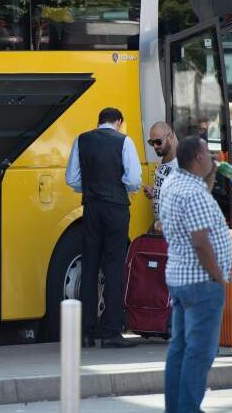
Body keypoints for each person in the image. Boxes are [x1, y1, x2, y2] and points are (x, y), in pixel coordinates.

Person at [159, 136, 232, 413]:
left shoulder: (174, 183)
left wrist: (211, 174)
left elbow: (203, 196)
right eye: (207, 153)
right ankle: (188, 407)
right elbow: (201, 241)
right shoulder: (194, 194)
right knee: (200, 352)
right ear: (198, 158)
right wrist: (218, 276)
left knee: (180, 348)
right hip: (202, 282)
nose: (212, 157)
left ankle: (176, 407)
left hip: (180, 277)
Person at [65, 107, 141, 348]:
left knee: (89, 267)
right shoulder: (124, 141)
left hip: (91, 208)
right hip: (116, 209)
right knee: (114, 267)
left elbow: (72, 178)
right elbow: (134, 179)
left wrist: (89, 188)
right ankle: (110, 332)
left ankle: (85, 333)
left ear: (98, 121)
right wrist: (119, 187)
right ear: (118, 121)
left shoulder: (82, 140)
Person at [143, 122, 178, 232]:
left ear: (170, 137)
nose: (155, 146)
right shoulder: (163, 162)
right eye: (151, 143)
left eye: (158, 142)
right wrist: (155, 193)